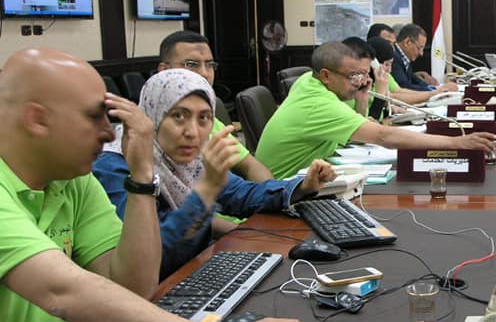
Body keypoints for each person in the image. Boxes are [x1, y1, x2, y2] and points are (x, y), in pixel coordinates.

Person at [0, 48, 322, 322]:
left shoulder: (73, 179)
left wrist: (142, 176)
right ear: (37, 119)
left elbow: (134, 286)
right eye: (94, 117)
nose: (108, 133)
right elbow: (65, 292)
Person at [93, 70, 337, 279]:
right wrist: (206, 191)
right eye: (178, 116)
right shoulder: (115, 166)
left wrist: (301, 187)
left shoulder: (190, 156)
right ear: (152, 115)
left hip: (192, 270)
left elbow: (240, 194)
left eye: (204, 118)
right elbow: (156, 257)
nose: (192, 132)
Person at [256, 41, 496, 178]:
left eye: (362, 74)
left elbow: (356, 134)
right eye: (353, 76)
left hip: (305, 178)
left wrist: (361, 102)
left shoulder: (309, 80)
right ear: (326, 75)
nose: (360, 82)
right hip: (282, 192)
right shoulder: (317, 103)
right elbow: (383, 135)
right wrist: (456, 143)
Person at [157, 30, 273, 182]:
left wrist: (272, 192)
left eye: (210, 65)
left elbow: (252, 167)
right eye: (191, 64)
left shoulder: (208, 118)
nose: (205, 73)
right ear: (164, 70)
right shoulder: (146, 125)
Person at [392, 24, 457, 93]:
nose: (421, 53)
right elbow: (404, 87)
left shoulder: (403, 56)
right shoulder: (394, 57)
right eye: (419, 48)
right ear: (407, 42)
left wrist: (433, 87)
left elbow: (413, 79)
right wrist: (437, 90)